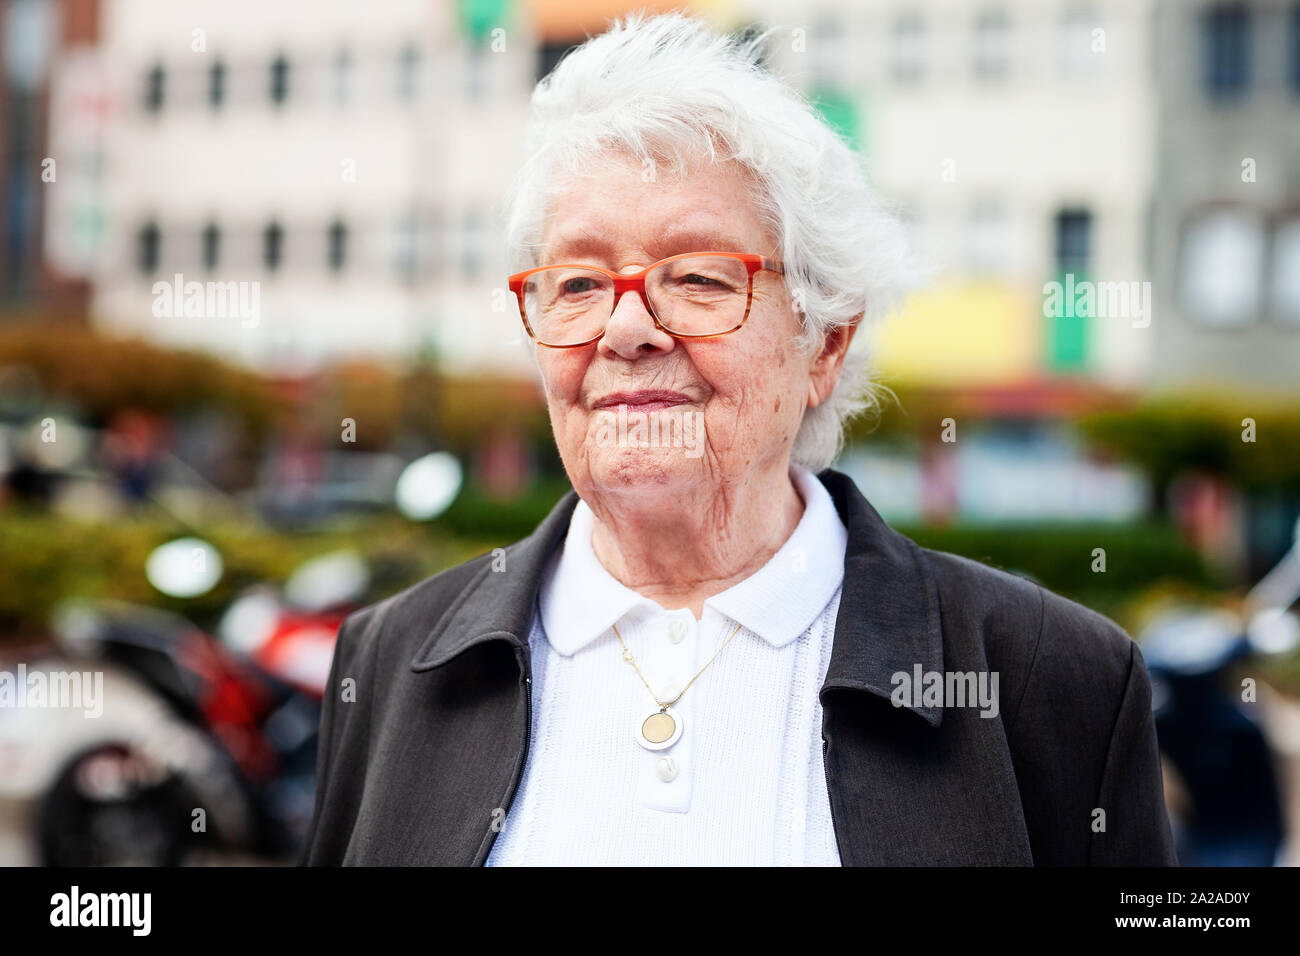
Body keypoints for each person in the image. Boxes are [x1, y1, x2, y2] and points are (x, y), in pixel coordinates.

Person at [301, 12, 1176, 866]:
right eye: (576, 283)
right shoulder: (390, 661)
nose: (626, 328)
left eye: (697, 277)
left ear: (824, 341)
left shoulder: (1048, 677)